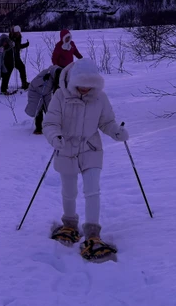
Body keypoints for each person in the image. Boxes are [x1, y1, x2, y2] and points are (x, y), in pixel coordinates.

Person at [42, 59, 128, 261]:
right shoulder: (59, 96)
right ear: (72, 81)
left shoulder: (100, 98)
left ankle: (92, 233)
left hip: (91, 148)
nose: (85, 89)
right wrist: (55, 137)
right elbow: (50, 123)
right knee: (69, 190)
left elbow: (107, 122)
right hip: (66, 148)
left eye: (90, 85)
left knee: (92, 190)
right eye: (81, 84)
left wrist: (117, 132)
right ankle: (69, 224)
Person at [24, 64, 61, 135]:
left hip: (46, 93)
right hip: (36, 92)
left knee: (50, 109)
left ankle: (52, 126)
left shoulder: (57, 76)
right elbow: (34, 83)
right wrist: (43, 79)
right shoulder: (46, 73)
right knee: (38, 109)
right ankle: (38, 128)